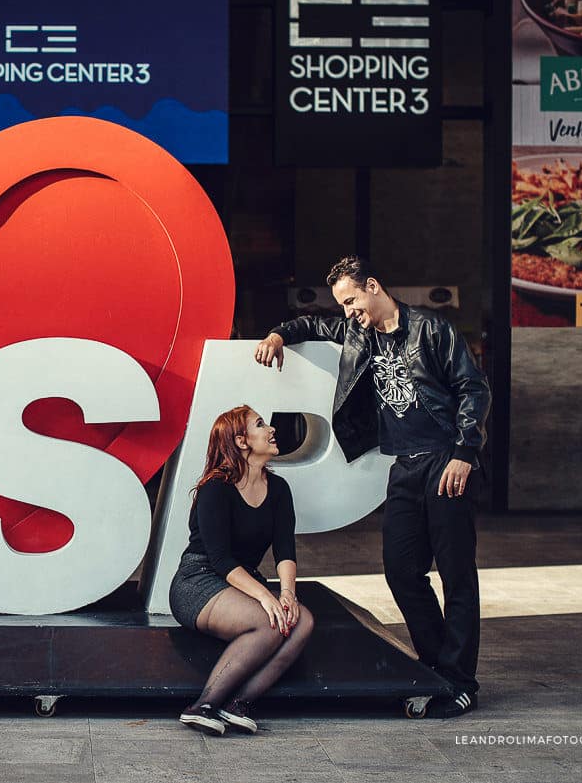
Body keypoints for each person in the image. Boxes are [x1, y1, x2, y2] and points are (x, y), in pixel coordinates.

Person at [253, 256, 490, 718]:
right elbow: (311, 323)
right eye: (342, 305)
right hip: (402, 466)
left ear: (374, 287)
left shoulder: (432, 330)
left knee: (457, 573)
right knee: (402, 571)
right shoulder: (356, 333)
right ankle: (439, 664)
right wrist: (279, 333)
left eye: (352, 301)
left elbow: (473, 389)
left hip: (445, 459)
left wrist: (465, 452)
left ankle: (461, 682)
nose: (348, 312)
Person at [169, 405, 315, 735]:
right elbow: (220, 560)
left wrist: (288, 594)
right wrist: (267, 598)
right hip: (200, 580)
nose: (271, 429)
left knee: (301, 620)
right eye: (260, 425)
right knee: (270, 621)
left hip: (243, 581)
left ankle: (239, 704)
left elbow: (285, 550)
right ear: (242, 440)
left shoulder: (279, 490)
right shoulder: (215, 488)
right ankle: (202, 706)